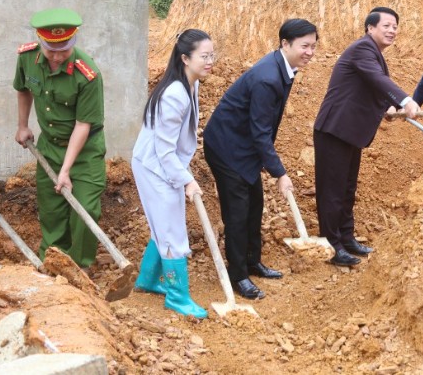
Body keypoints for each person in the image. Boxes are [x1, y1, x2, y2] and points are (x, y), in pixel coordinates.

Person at [202, 19, 318, 300]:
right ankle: (238, 274)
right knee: (238, 212)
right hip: (227, 147)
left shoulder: (283, 67)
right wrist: (280, 173)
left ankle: (252, 262)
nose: (310, 52)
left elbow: (260, 130)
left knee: (255, 203)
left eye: (314, 46)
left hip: (245, 145)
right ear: (285, 44)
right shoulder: (267, 77)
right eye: (305, 46)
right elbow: (261, 132)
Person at [314, 7, 421, 267]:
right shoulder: (363, 49)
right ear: (370, 28)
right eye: (386, 25)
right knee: (333, 191)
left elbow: (370, 86)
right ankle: (332, 245)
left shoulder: (373, 55)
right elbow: (376, 79)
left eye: (395, 26)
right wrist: (405, 100)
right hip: (334, 130)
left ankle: (347, 238)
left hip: (349, 132)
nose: (392, 30)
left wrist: (387, 106)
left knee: (347, 189)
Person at [13, 8, 106, 269]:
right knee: (52, 209)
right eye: (50, 49)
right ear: (40, 42)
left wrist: (65, 170)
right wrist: (22, 125)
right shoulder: (27, 57)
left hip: (85, 151)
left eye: (63, 50)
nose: (56, 56)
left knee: (85, 209)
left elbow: (83, 125)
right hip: (49, 146)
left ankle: (80, 268)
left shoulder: (87, 74)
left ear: (74, 41)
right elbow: (23, 90)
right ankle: (53, 263)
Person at [131, 29, 214, 319]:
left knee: (165, 223)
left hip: (165, 163)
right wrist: (187, 181)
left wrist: (183, 175)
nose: (210, 61)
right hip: (154, 166)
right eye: (204, 56)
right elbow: (164, 151)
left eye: (211, 55)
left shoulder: (190, 84)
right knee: (172, 231)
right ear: (184, 58)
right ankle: (177, 297)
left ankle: (148, 279)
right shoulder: (174, 95)